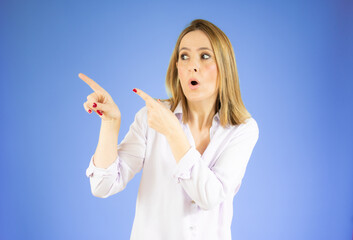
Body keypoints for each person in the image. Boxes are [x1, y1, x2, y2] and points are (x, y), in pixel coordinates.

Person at [80, 19, 259, 240]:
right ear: (177, 68)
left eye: (205, 56)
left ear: (225, 66)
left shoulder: (242, 130)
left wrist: (174, 133)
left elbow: (210, 197)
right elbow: (102, 185)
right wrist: (110, 123)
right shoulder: (150, 117)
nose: (193, 65)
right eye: (184, 56)